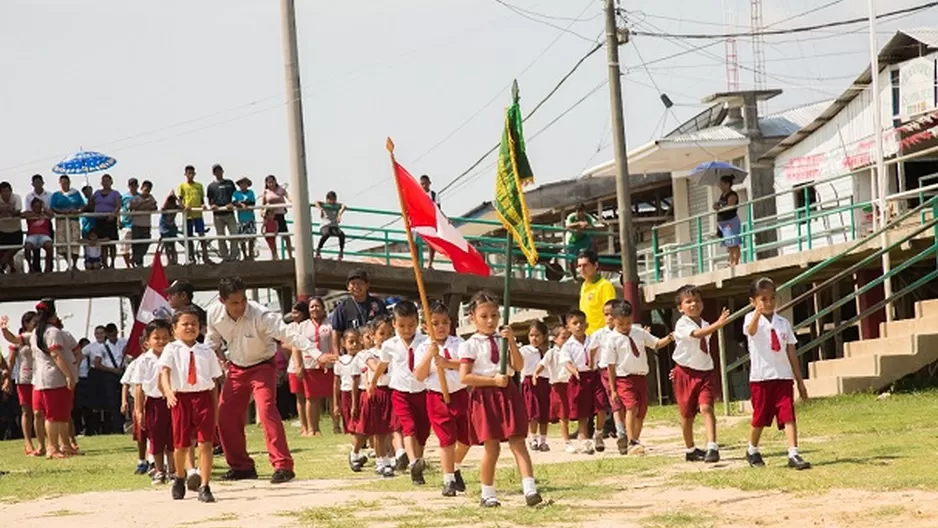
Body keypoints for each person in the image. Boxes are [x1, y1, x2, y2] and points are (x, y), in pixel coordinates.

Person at [207, 276, 326, 484]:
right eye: (235, 302)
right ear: (222, 301)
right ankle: (241, 466)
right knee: (225, 415)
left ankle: (283, 466)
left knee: (266, 410)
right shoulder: (213, 314)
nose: (241, 306)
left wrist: (316, 354)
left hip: (262, 366)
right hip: (235, 368)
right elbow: (211, 342)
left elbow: (289, 334)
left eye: (243, 300)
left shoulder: (262, 315)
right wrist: (215, 364)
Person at [458, 291, 541, 508]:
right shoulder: (470, 344)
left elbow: (519, 366)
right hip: (485, 396)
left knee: (518, 441)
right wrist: (493, 381)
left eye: (494, 316)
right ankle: (487, 493)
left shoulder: (503, 338)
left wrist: (511, 341)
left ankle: (530, 489)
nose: (490, 321)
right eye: (484, 316)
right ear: (472, 318)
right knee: (491, 446)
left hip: (508, 393)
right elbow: (465, 376)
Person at [744, 277, 811, 470]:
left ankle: (793, 453)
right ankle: (752, 449)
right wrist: (756, 313)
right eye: (763, 299)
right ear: (753, 301)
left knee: (788, 414)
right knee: (760, 418)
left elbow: (791, 351)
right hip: (762, 377)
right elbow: (751, 330)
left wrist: (799, 380)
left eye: (772, 298)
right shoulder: (750, 319)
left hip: (783, 376)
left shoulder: (783, 323)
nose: (768, 303)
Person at [159, 307, 222, 502]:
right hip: (181, 399)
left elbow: (214, 382)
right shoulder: (172, 349)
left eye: (194, 324)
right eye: (184, 324)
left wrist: (216, 407)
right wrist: (168, 392)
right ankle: (179, 476)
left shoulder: (206, 351)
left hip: (203, 398)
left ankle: (205, 485)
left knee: (206, 443)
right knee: (181, 445)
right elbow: (164, 373)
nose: (190, 327)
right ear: (174, 329)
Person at [414, 300, 470, 497]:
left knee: (466, 439)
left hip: (460, 396)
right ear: (425, 326)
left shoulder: (459, 344)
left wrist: (447, 363)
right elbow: (419, 376)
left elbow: (467, 365)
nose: (440, 327)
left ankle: (455, 467)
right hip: (436, 398)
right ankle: (448, 481)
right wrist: (429, 356)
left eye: (444, 322)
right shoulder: (423, 348)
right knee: (446, 440)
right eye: (435, 323)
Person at [602, 300, 672, 455]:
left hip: (640, 377)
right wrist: (613, 390)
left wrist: (669, 338)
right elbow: (611, 366)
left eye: (628, 322)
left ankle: (635, 440)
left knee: (641, 410)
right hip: (623, 379)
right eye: (621, 324)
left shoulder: (639, 333)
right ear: (613, 321)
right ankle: (631, 439)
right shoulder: (611, 340)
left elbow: (655, 343)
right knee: (631, 406)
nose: (625, 326)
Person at [372, 301, 429, 485]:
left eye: (411, 325)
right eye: (402, 325)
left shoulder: (426, 342)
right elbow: (383, 364)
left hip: (423, 392)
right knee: (409, 427)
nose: (407, 330)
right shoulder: (390, 345)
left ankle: (418, 462)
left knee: (422, 432)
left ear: (418, 322)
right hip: (400, 393)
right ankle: (413, 462)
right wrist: (373, 381)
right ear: (394, 324)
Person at [671, 284, 730, 463]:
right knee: (687, 414)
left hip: (705, 371)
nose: (693, 304)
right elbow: (696, 335)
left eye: (697, 300)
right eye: (688, 302)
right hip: (685, 373)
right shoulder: (682, 324)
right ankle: (690, 449)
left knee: (706, 407)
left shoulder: (706, 323)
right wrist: (718, 324)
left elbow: (704, 332)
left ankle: (712, 446)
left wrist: (714, 325)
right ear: (680, 308)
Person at [29, 299, 79, 459]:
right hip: (54, 377)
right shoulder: (52, 332)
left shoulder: (36, 332)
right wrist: (69, 375)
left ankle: (62, 446)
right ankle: (52, 447)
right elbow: (56, 355)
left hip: (43, 377)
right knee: (54, 415)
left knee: (59, 414)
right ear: (54, 314)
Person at [131, 319, 176, 484]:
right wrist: (139, 411)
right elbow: (139, 387)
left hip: (172, 401)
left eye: (165, 337)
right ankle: (159, 470)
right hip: (154, 403)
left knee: (173, 438)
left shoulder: (174, 355)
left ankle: (173, 470)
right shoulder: (143, 360)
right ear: (147, 341)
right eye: (157, 338)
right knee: (156, 438)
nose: (162, 341)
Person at [560, 309, 605, 455]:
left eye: (581, 323)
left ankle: (598, 433)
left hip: (595, 376)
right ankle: (585, 441)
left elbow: (600, 355)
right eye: (574, 323)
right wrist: (574, 371)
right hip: (579, 378)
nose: (578, 326)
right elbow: (566, 362)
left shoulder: (593, 340)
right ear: (568, 327)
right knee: (582, 412)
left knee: (601, 406)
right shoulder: (568, 345)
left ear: (587, 325)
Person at [361, 315, 396, 477]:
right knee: (379, 431)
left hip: (393, 391)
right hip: (378, 393)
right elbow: (377, 368)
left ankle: (393, 457)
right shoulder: (368, 353)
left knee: (392, 430)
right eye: (382, 334)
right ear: (372, 335)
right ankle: (381, 461)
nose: (386, 338)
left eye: (390, 333)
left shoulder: (396, 351)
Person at [297, 297, 337, 435]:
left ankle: (337, 427)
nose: (315, 309)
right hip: (310, 365)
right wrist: (298, 365)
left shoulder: (331, 323)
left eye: (317, 306)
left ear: (323, 307)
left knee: (333, 397)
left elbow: (336, 342)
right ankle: (313, 429)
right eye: (312, 307)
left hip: (330, 365)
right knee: (311, 398)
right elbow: (297, 347)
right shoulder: (303, 326)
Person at [1, 312, 38, 455]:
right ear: (26, 323)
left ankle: (44, 441)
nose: (36, 323)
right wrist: (7, 380)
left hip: (40, 378)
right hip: (24, 378)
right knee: (27, 411)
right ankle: (28, 442)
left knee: (40, 411)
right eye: (34, 321)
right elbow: (9, 362)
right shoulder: (18, 340)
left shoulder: (39, 337)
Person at [330, 269, 389, 353]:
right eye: (353, 283)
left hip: (375, 350)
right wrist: (337, 355)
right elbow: (336, 332)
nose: (356, 286)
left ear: (367, 285)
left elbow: (387, 326)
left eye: (360, 283)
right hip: (353, 352)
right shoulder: (342, 307)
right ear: (348, 287)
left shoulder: (378, 304)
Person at [534, 326, 571, 451]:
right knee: (563, 415)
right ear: (555, 339)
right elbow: (542, 364)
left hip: (571, 385)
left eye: (568, 337)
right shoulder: (552, 353)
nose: (566, 340)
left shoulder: (571, 350)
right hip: (558, 386)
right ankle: (567, 442)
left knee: (572, 413)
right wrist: (535, 374)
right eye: (563, 338)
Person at [593, 299, 623, 447]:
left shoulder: (624, 332)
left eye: (612, 314)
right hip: (604, 371)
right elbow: (592, 351)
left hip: (622, 371)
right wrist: (592, 364)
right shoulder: (599, 334)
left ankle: (623, 432)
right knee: (605, 404)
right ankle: (601, 433)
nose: (609, 317)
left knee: (621, 404)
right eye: (606, 314)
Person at [520, 321, 551, 452]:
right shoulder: (525, 350)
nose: (534, 338)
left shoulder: (548, 352)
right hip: (529, 382)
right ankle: (533, 438)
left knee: (544, 412)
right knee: (533, 411)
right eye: (531, 335)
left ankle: (543, 440)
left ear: (543, 336)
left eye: (537, 335)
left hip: (545, 382)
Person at [91, 323, 127, 434]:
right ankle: (117, 428)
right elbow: (97, 363)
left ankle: (123, 424)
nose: (113, 337)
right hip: (110, 375)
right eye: (110, 335)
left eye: (114, 334)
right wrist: (112, 370)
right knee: (113, 402)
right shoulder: (102, 347)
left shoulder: (123, 342)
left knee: (124, 401)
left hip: (122, 372)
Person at [333, 329, 363, 462]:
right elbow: (336, 383)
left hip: (361, 393)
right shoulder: (340, 361)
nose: (355, 345)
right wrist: (335, 404)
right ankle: (355, 452)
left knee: (362, 424)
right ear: (343, 343)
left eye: (357, 341)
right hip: (346, 395)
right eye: (351, 342)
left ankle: (359, 451)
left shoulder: (363, 358)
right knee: (352, 425)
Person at [286, 300, 313, 436]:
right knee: (299, 397)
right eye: (293, 311)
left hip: (309, 364)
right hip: (293, 365)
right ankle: (303, 425)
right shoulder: (290, 327)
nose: (294, 314)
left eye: (297, 311)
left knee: (311, 397)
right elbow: (284, 344)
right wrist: (296, 346)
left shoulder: (308, 325)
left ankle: (311, 426)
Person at [120, 351, 149, 474]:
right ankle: (142, 461)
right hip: (139, 401)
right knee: (141, 434)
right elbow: (126, 383)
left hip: (156, 400)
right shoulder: (136, 363)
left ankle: (158, 462)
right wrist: (124, 401)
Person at [49, 175, 85, 270]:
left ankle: (74, 264)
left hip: (74, 220)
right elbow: (52, 207)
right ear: (60, 183)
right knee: (62, 244)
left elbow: (82, 205)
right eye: (63, 183)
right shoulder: (56, 195)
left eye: (67, 183)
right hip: (61, 221)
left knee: (75, 242)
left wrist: (76, 211)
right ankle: (69, 263)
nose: (65, 185)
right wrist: (62, 211)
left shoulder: (76, 193)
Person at [177, 165, 211, 264]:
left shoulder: (199, 186)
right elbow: (179, 200)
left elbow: (201, 199)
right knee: (189, 237)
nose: (190, 175)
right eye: (188, 173)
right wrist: (184, 206)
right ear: (185, 174)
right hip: (188, 215)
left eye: (192, 173)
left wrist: (203, 205)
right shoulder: (182, 186)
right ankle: (191, 258)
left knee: (202, 236)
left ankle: (206, 257)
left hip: (198, 214)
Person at [207, 164, 239, 262]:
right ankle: (225, 257)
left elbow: (236, 196)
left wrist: (232, 203)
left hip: (229, 213)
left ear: (222, 171)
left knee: (234, 234)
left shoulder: (229, 183)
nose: (218, 172)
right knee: (221, 237)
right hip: (218, 215)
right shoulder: (211, 186)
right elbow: (209, 200)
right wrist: (212, 206)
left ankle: (234, 256)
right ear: (213, 173)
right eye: (216, 171)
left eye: (219, 170)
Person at [91, 174, 122, 268]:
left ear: (111, 182)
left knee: (112, 243)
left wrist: (113, 214)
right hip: (99, 219)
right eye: (103, 181)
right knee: (102, 243)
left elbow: (118, 205)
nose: (105, 183)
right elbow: (91, 204)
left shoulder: (115, 193)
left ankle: (112, 262)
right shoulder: (96, 193)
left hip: (110, 220)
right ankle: (104, 262)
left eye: (107, 181)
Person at [565, 205, 604, 275]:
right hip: (572, 240)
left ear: (584, 211)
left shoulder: (587, 217)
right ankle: (574, 277)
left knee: (592, 241)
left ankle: (595, 259)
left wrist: (586, 226)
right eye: (578, 211)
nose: (580, 213)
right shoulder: (571, 217)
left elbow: (592, 227)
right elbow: (567, 226)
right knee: (571, 259)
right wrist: (578, 224)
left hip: (583, 238)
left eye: (581, 211)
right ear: (576, 212)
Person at [260, 174, 292, 260]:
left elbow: (289, 197)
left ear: (275, 181)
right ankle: (274, 256)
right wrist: (262, 213)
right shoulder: (266, 192)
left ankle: (290, 256)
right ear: (266, 183)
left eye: (272, 181)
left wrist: (293, 201)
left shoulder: (281, 189)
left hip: (280, 215)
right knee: (271, 237)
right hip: (270, 216)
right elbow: (262, 204)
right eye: (269, 182)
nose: (271, 184)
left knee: (286, 236)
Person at [129, 180, 158, 267]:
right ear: (141, 188)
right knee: (136, 245)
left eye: (148, 190)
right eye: (145, 190)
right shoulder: (136, 198)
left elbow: (154, 207)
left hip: (146, 225)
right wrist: (143, 203)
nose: (147, 192)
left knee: (146, 243)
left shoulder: (151, 197)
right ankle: (138, 263)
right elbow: (132, 207)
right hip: (136, 224)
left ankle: (135, 259)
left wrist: (145, 206)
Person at [714, 175, 742, 267]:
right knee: (729, 244)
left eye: (722, 184)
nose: (720, 186)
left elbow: (730, 206)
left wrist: (720, 207)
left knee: (734, 242)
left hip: (730, 221)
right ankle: (731, 262)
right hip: (723, 222)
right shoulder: (722, 195)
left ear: (728, 184)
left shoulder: (732, 195)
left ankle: (735, 262)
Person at [23, 198, 54, 273]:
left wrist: (44, 208)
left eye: (39, 206)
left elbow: (52, 215)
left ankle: (47, 267)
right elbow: (22, 215)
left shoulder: (45, 214)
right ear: (32, 207)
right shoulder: (29, 214)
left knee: (49, 246)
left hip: (44, 235)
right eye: (36, 207)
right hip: (32, 236)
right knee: (27, 247)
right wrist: (33, 214)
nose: (38, 208)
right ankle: (30, 267)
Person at [314, 191, 346, 260]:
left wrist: (340, 213)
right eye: (330, 199)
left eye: (333, 199)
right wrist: (321, 209)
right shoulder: (325, 204)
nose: (332, 201)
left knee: (342, 235)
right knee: (327, 233)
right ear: (327, 199)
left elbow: (344, 206)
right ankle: (318, 250)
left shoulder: (336, 205)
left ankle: (341, 252)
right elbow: (316, 202)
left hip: (334, 226)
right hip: (325, 226)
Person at [0, 181, 23, 274]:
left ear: (11, 191)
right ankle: (11, 268)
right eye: (3, 191)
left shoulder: (17, 198)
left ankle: (2, 264)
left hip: (15, 228)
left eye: (7, 191)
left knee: (15, 248)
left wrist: (8, 210)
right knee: (3, 250)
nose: (6, 193)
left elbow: (17, 212)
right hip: (2, 229)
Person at [231, 177, 256, 261]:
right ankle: (245, 255)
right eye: (241, 183)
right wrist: (241, 205)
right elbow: (234, 202)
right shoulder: (236, 193)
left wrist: (242, 203)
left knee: (251, 238)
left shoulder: (250, 192)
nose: (243, 185)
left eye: (244, 183)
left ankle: (251, 255)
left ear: (247, 185)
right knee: (242, 239)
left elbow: (252, 202)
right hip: (241, 219)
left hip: (250, 218)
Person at [118, 178, 140, 268]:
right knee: (124, 246)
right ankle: (127, 265)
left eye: (134, 185)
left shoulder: (140, 196)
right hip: (126, 223)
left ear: (137, 186)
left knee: (137, 246)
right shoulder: (124, 197)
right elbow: (119, 208)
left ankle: (135, 262)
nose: (133, 187)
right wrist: (118, 220)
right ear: (128, 186)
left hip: (137, 224)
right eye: (131, 185)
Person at [419, 175, 439, 269]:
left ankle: (430, 263)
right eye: (422, 184)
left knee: (431, 243)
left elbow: (438, 209)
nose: (424, 186)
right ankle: (418, 263)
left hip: (430, 221)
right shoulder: (417, 194)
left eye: (425, 183)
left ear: (429, 183)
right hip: (419, 222)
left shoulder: (434, 195)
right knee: (415, 242)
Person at [159, 193, 181, 265]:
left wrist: (177, 198)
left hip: (172, 227)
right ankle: (169, 260)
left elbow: (183, 207)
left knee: (173, 245)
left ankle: (175, 260)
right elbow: (162, 208)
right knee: (166, 245)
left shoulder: (176, 207)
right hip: (164, 227)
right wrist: (168, 197)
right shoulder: (165, 207)